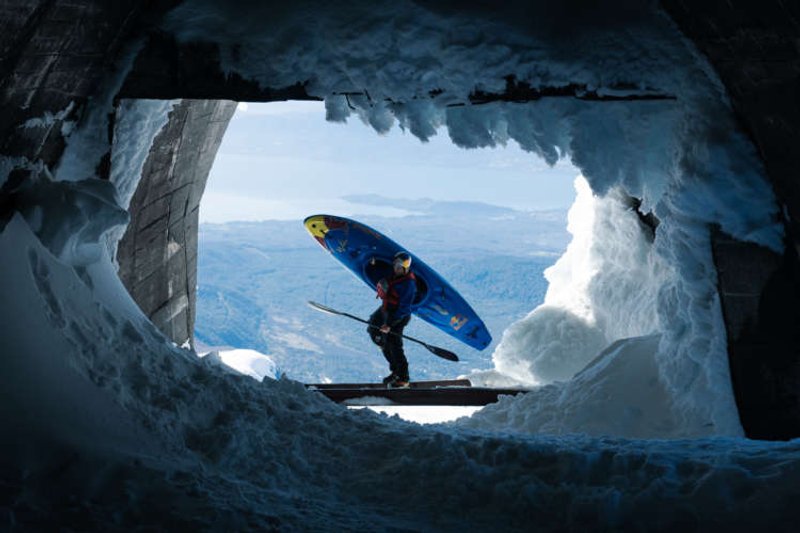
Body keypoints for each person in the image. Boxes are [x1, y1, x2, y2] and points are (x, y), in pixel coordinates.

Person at [367, 251, 417, 388]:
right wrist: (372, 265)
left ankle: (403, 377)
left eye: (400, 267)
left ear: (406, 268)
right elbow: (378, 275)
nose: (397, 268)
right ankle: (395, 371)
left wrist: (389, 324)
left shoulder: (408, 285)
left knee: (394, 345)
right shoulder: (393, 274)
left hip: (398, 316)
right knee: (374, 329)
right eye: (396, 265)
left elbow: (404, 309)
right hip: (386, 309)